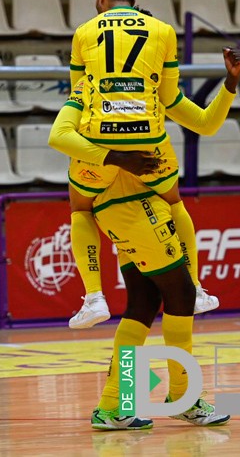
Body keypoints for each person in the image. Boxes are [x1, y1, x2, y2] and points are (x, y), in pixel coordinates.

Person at [63, 0, 222, 328]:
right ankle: (195, 287)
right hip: (148, 141)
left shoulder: (85, 32)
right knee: (175, 203)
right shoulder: (164, 31)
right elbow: (169, 98)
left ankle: (93, 297)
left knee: (80, 208)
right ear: (132, 0)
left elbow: (78, 96)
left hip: (100, 141)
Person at [89, 169, 230, 430]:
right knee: (182, 295)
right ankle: (182, 398)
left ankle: (112, 404)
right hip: (139, 209)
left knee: (143, 304)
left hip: (112, 213)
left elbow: (79, 202)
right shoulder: (140, 135)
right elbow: (174, 199)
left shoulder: (87, 140)